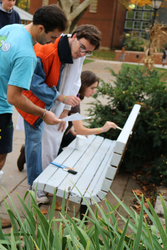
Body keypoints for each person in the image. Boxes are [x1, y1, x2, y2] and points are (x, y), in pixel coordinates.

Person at [16, 24, 101, 205]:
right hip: (33, 103)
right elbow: (33, 83)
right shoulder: (46, 50)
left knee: (50, 144)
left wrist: (64, 110)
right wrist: (60, 98)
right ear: (75, 36)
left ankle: (45, 181)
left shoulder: (77, 52)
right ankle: (35, 186)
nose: (83, 53)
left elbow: (74, 81)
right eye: (82, 47)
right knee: (36, 144)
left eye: (88, 52)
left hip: (54, 104)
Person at [0, 4, 67, 229]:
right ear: (40, 28)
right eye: (51, 37)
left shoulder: (9, 29)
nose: (51, 42)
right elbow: (14, 97)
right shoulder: (28, 54)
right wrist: (43, 112)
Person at [58, 70, 118, 154]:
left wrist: (73, 133)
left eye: (95, 88)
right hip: (56, 137)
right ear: (83, 85)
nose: (94, 91)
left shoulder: (76, 96)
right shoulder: (74, 100)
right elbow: (80, 130)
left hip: (61, 133)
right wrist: (103, 129)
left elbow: (69, 119)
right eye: (92, 88)